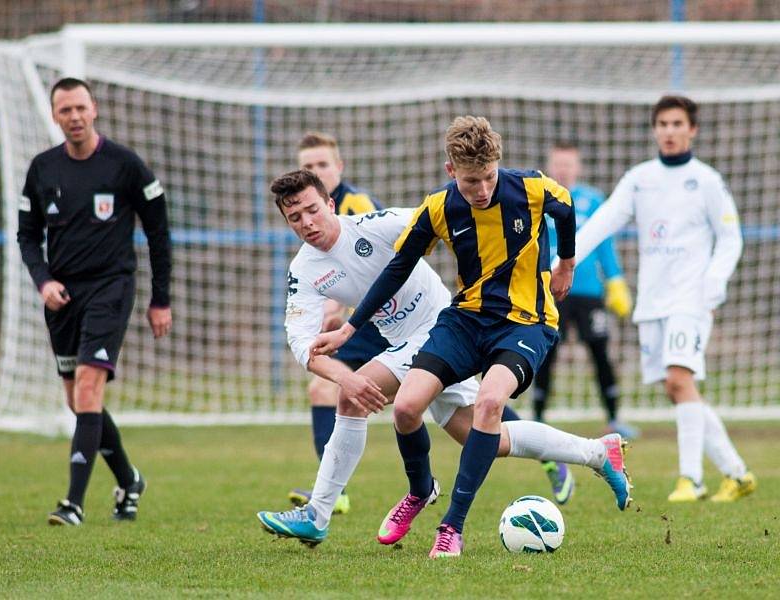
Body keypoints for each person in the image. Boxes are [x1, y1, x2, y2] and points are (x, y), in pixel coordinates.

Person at [312, 116, 632, 559]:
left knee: (489, 404)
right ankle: (422, 490)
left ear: (498, 165)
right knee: (405, 407)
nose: (481, 190)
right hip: (466, 320)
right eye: (469, 182)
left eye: (487, 178)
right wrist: (350, 326)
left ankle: (452, 527)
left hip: (526, 320)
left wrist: (567, 263)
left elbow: (566, 208)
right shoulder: (439, 207)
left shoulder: (531, 188)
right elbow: (398, 267)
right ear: (450, 171)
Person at [572, 95, 756, 503]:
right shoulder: (639, 178)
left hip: (692, 298)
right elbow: (601, 224)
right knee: (677, 388)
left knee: (679, 379)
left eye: (677, 124)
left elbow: (731, 239)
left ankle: (691, 478)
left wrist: (715, 284)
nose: (669, 131)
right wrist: (558, 263)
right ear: (655, 129)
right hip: (652, 302)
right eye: (663, 124)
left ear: (692, 129)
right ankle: (737, 473)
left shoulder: (707, 180)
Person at [17, 77, 172, 526]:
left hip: (111, 288)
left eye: (81, 108)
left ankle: (73, 504)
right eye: (65, 110)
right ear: (55, 116)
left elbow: (159, 232)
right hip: (61, 296)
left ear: (95, 109)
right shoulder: (42, 168)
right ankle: (129, 478)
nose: (75, 117)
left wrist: (160, 298)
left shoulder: (125, 165)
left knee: (87, 388)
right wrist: (43, 281)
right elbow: (27, 236)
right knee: (78, 401)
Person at [287, 132, 390, 515]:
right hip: (366, 326)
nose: (316, 170)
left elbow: (376, 267)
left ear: (339, 167)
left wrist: (337, 307)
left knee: (466, 400)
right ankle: (333, 491)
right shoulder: (308, 220)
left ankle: (545, 454)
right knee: (322, 390)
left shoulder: (357, 204)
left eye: (322, 164)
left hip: (395, 318)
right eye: (308, 166)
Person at [532, 142, 639, 439]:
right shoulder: (538, 197)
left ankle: (614, 419)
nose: (563, 169)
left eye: (569, 164)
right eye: (558, 163)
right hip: (551, 291)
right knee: (545, 353)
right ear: (550, 165)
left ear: (577, 167)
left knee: (600, 352)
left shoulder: (592, 200)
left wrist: (615, 280)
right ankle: (538, 418)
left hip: (590, 293)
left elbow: (605, 244)